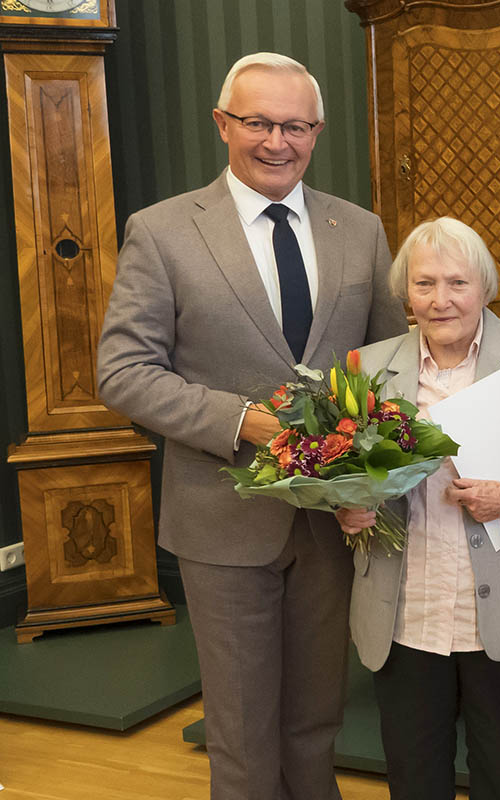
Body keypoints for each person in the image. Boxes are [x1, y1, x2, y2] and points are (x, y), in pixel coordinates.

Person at [97, 53, 401, 799]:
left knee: (315, 724)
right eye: (258, 122)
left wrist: (378, 477)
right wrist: (241, 421)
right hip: (222, 523)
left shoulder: (358, 231)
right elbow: (123, 371)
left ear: (317, 131)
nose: (276, 141)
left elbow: (390, 369)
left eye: (294, 125)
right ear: (222, 124)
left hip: (331, 524)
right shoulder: (163, 232)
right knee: (240, 736)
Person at [334, 217, 500, 800]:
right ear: (405, 292)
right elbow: (346, 472)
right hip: (405, 607)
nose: (441, 299)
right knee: (412, 771)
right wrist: (347, 508)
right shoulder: (368, 366)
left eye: (456, 283)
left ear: (484, 286)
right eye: (424, 284)